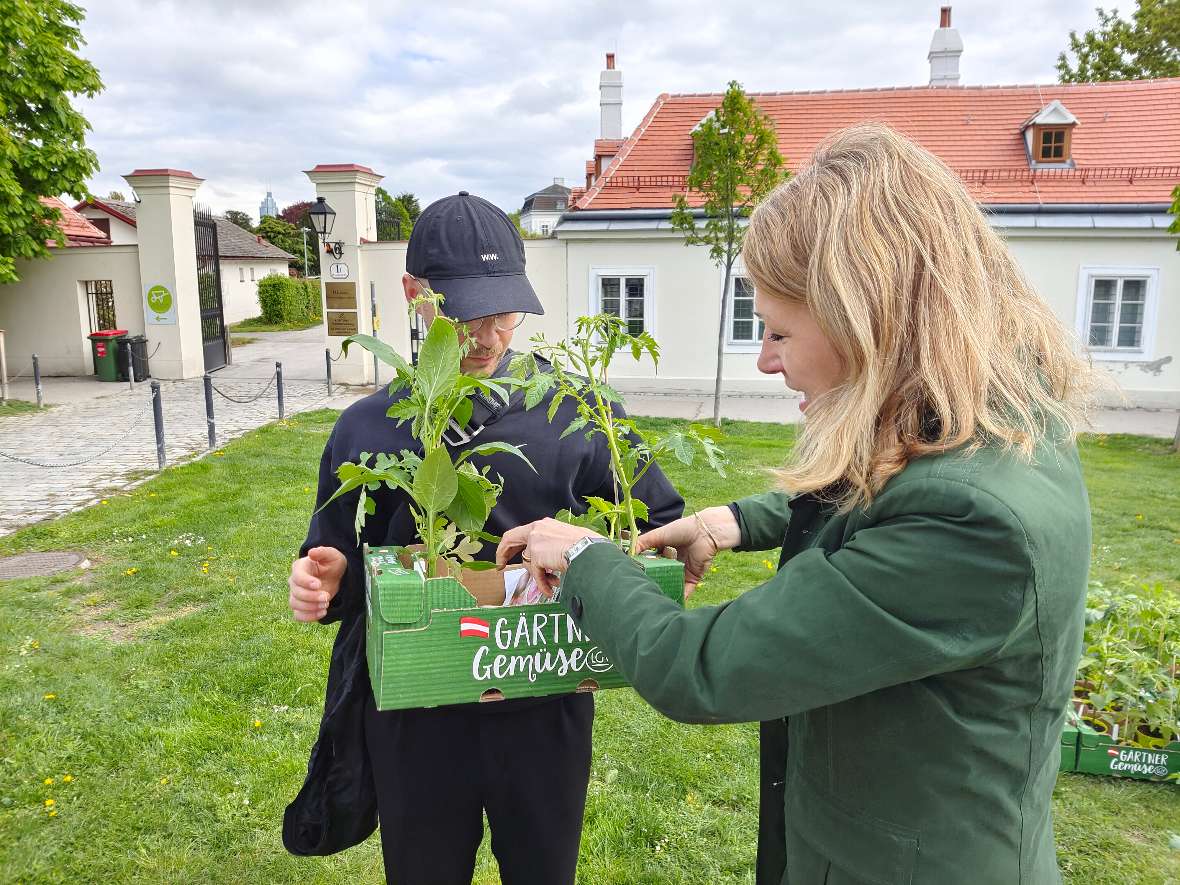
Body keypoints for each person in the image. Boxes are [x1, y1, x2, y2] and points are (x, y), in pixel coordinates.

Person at [497, 125, 1092, 885]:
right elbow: (884, 493)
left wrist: (586, 559)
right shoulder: (989, 422)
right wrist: (734, 520)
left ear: (867, 319)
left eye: (780, 329)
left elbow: (699, 666)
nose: (765, 357)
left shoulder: (974, 523)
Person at [284, 191, 683, 885]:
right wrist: (324, 580)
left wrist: (630, 548)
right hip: (416, 710)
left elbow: (655, 523)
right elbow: (338, 556)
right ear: (414, 294)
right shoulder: (367, 427)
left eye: (503, 311)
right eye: (464, 311)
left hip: (543, 703)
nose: (489, 334)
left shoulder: (578, 412)